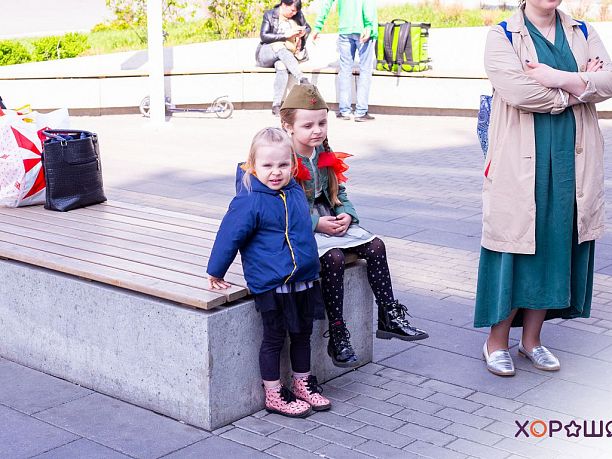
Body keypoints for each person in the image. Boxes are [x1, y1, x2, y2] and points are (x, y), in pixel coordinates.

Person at [475, 0, 612, 377]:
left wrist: (555, 76)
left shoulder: (582, 32)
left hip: (572, 158)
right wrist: (578, 86)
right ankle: (496, 342)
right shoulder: (502, 35)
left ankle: (532, 340)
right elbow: (520, 92)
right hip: (521, 160)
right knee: (515, 248)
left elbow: (608, 81)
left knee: (556, 243)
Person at [279, 84, 429, 367]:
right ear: (288, 126)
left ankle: (389, 314)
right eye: (308, 125)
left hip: (326, 219)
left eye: (322, 123)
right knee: (334, 258)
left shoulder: (321, 153)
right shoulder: (282, 159)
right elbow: (279, 207)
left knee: (376, 246)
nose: (317, 131)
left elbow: (338, 192)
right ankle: (337, 334)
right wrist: (316, 223)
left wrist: (346, 214)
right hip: (296, 228)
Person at [207, 127, 331, 417]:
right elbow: (229, 236)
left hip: (303, 279)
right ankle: (274, 393)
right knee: (274, 338)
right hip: (272, 284)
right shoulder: (250, 199)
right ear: (253, 165)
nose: (276, 172)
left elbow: (303, 231)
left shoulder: (295, 191)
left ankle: (302, 383)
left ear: (293, 164)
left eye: (283, 164)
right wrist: (216, 271)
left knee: (302, 334)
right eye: (267, 165)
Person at [312, 0, 377, 122]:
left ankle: (345, 111)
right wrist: (368, 25)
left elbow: (326, 4)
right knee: (365, 70)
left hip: (345, 30)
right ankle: (361, 112)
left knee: (345, 70)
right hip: (364, 29)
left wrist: (318, 26)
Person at [256, 0, 311, 116]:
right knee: (279, 45)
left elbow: (307, 28)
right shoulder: (270, 15)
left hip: (285, 57)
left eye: (296, 11)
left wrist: (303, 32)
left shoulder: (298, 14)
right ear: (284, 5)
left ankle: (276, 105)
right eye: (292, 10)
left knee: (281, 66)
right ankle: (302, 78)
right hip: (266, 54)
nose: (294, 13)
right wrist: (285, 35)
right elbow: (264, 36)